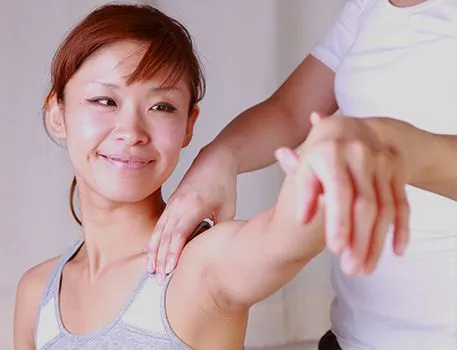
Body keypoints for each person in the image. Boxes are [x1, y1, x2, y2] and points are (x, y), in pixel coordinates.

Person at [12, 4, 362, 349]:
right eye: (105, 101)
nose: (131, 131)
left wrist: (333, 171)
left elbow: (284, 240)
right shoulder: (36, 293)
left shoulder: (203, 263)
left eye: (161, 106)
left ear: (188, 127)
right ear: (57, 114)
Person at [147, 0, 457, 349]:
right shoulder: (367, 8)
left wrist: (397, 148)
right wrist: (220, 158)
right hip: (353, 336)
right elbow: (291, 111)